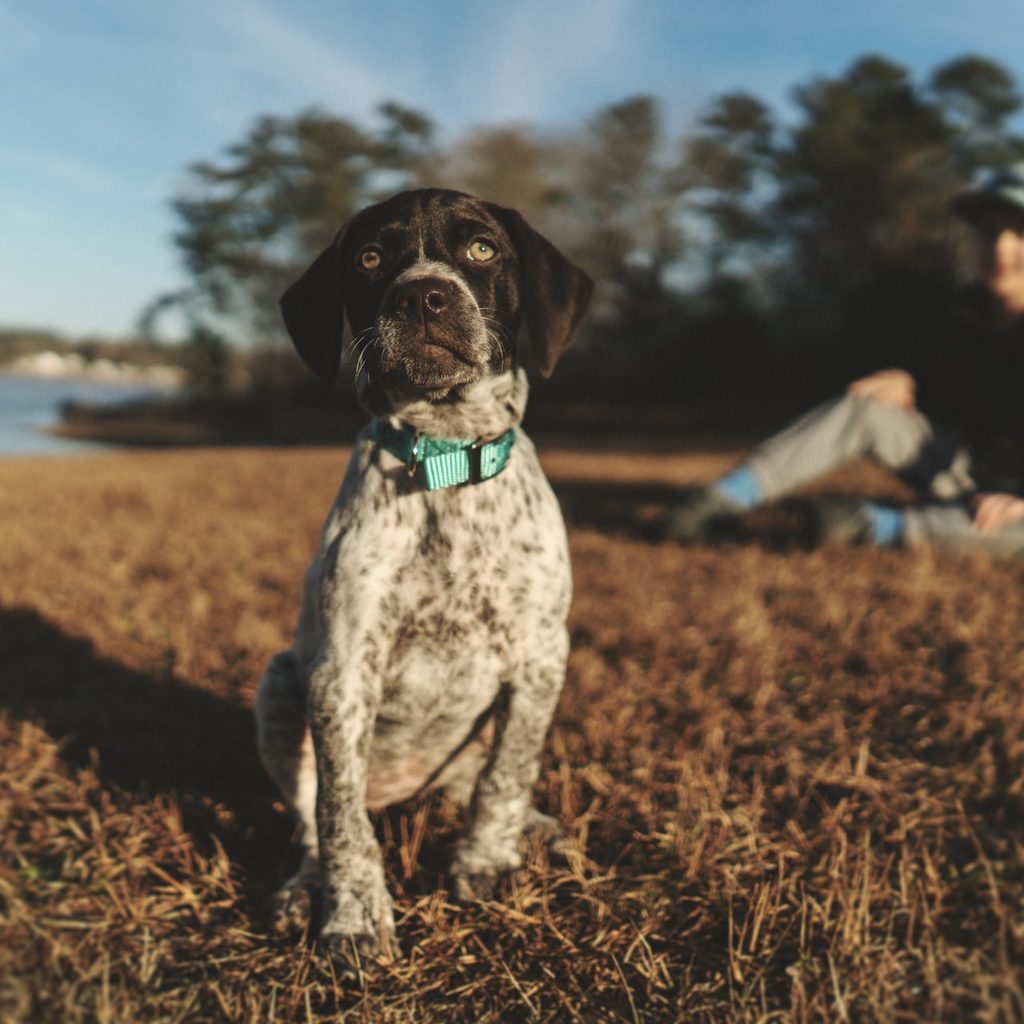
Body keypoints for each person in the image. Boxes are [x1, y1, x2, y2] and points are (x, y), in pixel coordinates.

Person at [669, 162, 1024, 558]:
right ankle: (718, 502)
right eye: (990, 231)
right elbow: (943, 389)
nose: (1002, 247)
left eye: (1020, 231)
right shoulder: (960, 318)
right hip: (968, 475)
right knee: (868, 403)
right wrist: (910, 381)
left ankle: (867, 526)